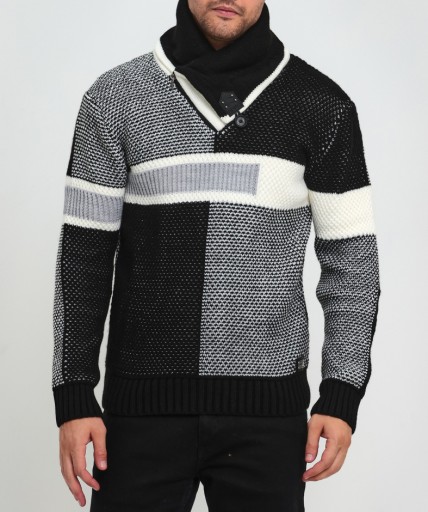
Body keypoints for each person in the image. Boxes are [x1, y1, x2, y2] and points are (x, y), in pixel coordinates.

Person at [51, 0, 381, 510]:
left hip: (269, 418)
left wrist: (341, 393)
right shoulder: (114, 97)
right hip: (139, 414)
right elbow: (84, 258)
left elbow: (352, 265)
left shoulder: (322, 104)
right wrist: (74, 395)